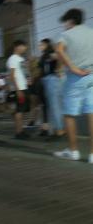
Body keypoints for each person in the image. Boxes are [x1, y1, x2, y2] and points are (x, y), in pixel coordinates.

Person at [53, 9, 93, 163]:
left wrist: (72, 67)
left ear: (70, 20)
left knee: (69, 114)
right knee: (91, 113)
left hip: (75, 78)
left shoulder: (66, 34)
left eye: (65, 21)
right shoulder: (91, 32)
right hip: (91, 75)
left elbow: (59, 50)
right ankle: (92, 154)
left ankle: (73, 151)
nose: (65, 25)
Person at [38, 39, 65, 137]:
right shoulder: (45, 54)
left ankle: (60, 129)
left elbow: (60, 58)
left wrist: (59, 69)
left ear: (47, 45)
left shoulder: (51, 53)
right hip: (46, 80)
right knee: (50, 105)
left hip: (52, 79)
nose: (40, 46)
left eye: (42, 44)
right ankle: (54, 129)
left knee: (55, 105)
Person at [7, 40, 31, 139]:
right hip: (19, 88)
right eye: (23, 46)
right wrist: (17, 90)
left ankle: (21, 130)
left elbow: (23, 73)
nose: (25, 48)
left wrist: (28, 80)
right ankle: (18, 132)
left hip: (23, 87)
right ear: (17, 47)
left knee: (22, 110)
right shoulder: (13, 58)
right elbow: (12, 76)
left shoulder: (20, 58)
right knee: (19, 110)